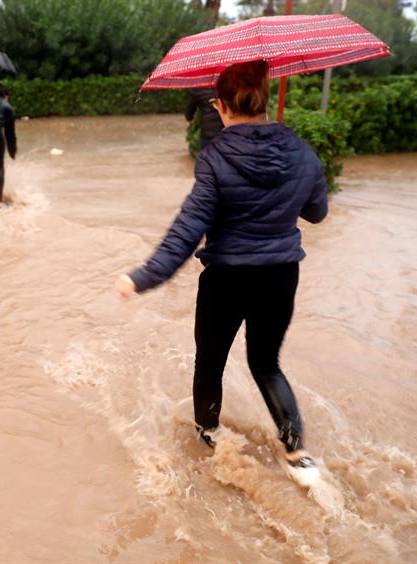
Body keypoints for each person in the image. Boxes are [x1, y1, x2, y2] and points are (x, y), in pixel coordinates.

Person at [114, 60, 328, 486]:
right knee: (266, 364)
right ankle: (297, 452)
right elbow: (317, 212)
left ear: (221, 106)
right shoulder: (301, 150)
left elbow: (187, 230)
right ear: (265, 101)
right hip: (280, 275)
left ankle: (209, 441)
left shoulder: (215, 157)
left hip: (227, 279)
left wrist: (143, 276)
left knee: (209, 364)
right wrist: (285, 191)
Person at [185, 87, 224, 152]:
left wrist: (190, 119)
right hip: (226, 131)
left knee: (207, 159)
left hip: (207, 132)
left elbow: (189, 109)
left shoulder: (197, 88)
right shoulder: (226, 85)